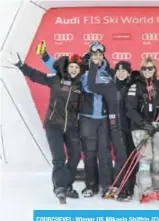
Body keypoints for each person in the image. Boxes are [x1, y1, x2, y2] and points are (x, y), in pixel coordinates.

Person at [36, 41, 113, 197]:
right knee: (89, 153)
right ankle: (91, 185)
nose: (97, 56)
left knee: (104, 152)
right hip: (86, 117)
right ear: (90, 55)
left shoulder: (108, 72)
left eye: (100, 54)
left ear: (103, 55)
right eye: (94, 54)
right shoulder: (82, 69)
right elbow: (58, 70)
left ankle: (106, 185)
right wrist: (45, 56)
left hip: (103, 117)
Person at [7, 52, 84, 203]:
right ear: (67, 68)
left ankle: (67, 186)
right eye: (72, 67)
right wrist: (21, 65)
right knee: (59, 158)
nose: (74, 70)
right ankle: (59, 187)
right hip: (53, 125)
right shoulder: (56, 79)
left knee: (75, 156)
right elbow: (36, 75)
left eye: (77, 68)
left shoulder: (81, 85)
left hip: (71, 126)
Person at [87, 60, 135, 201]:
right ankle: (115, 184)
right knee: (120, 156)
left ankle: (127, 186)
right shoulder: (109, 86)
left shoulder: (132, 86)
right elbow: (91, 85)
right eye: (119, 70)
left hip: (131, 127)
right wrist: (93, 67)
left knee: (130, 158)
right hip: (114, 127)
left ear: (128, 72)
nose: (121, 73)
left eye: (124, 70)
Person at [125, 57, 159, 203]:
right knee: (145, 158)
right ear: (141, 70)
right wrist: (144, 124)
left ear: (155, 69)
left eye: (150, 68)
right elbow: (130, 110)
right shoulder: (135, 86)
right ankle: (146, 190)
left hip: (156, 128)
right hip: (140, 129)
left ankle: (158, 189)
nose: (147, 71)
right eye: (144, 68)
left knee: (157, 159)